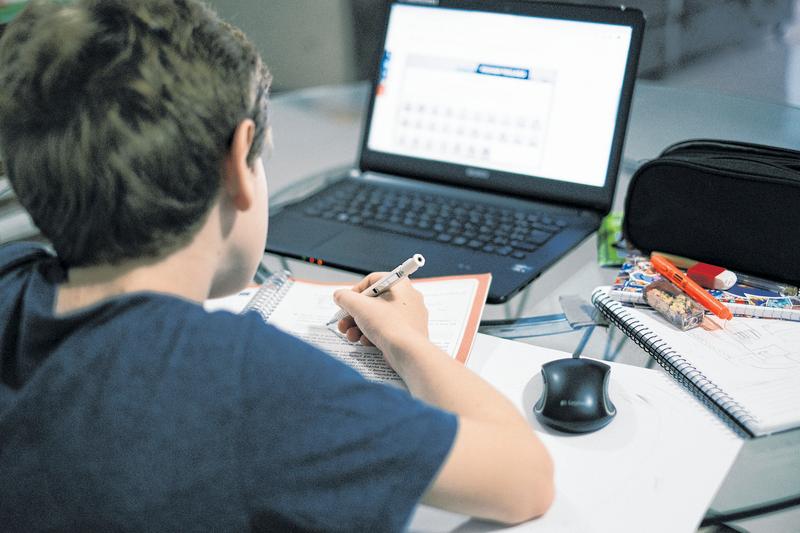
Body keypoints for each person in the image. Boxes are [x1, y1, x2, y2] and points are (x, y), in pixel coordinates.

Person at [0, 0, 553, 530]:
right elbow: (524, 478)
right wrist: (408, 340)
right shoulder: (245, 381)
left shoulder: (10, 281)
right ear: (238, 162)